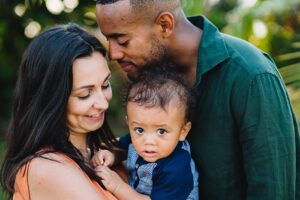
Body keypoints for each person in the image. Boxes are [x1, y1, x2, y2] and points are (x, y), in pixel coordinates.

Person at [95, 0, 300, 199]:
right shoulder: (150, 80)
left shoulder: (251, 76)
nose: (113, 53)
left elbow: (273, 190)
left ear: (164, 25)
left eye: (122, 41)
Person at [0, 23, 124, 200]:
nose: (103, 104)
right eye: (84, 94)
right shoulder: (48, 169)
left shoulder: (105, 154)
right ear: (51, 99)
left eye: (105, 85)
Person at [92, 69, 199, 200]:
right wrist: (112, 155)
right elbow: (122, 149)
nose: (148, 141)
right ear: (129, 123)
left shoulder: (177, 168)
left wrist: (117, 186)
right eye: (139, 129)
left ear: (183, 131)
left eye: (161, 131)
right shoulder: (135, 140)